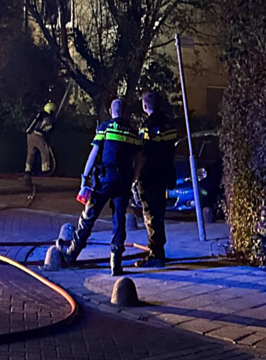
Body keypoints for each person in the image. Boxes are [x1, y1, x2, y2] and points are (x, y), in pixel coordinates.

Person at [60, 99, 142, 276]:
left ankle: (72, 253)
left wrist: (84, 177)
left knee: (89, 215)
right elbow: (139, 161)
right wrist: (132, 181)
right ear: (125, 112)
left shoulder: (104, 128)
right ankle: (115, 263)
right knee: (119, 221)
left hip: (104, 179)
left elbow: (94, 153)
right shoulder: (133, 133)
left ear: (111, 111)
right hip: (123, 182)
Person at [133, 92, 178, 268]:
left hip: (149, 175)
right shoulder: (169, 124)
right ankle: (159, 249)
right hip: (164, 173)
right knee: (159, 213)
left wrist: (135, 178)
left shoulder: (147, 126)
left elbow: (143, 153)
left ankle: (155, 253)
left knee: (150, 214)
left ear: (145, 106)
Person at [24, 101, 56, 177]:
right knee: (44, 150)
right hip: (37, 135)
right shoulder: (47, 117)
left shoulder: (38, 115)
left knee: (31, 152)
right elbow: (44, 127)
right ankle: (45, 169)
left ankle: (28, 169)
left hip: (29, 135)